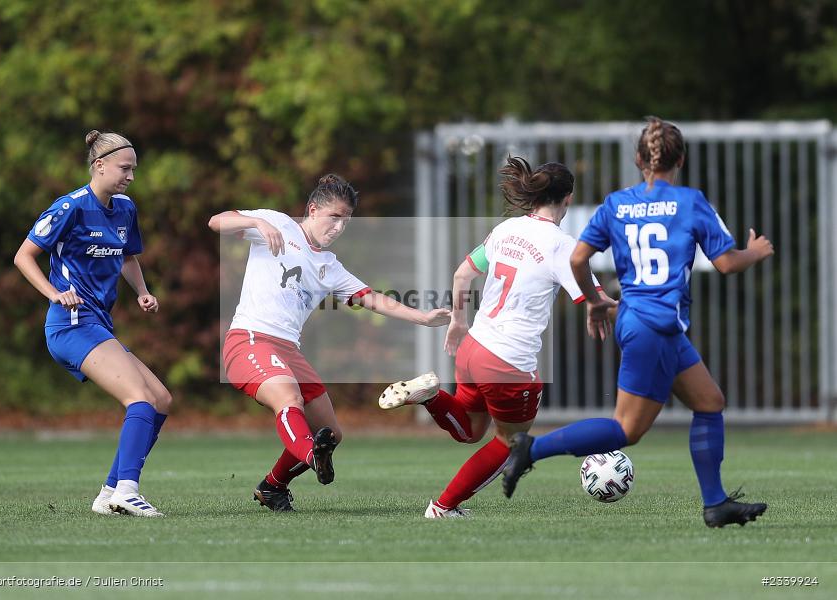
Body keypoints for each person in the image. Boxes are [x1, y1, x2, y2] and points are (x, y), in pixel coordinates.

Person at [502, 117, 775, 528]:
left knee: (709, 402)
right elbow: (726, 263)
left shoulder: (616, 204)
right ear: (680, 158)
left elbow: (578, 259)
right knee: (625, 430)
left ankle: (716, 503)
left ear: (637, 159)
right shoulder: (690, 202)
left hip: (640, 320)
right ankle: (530, 450)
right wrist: (755, 250)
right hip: (657, 324)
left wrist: (594, 301)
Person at [378, 157, 608, 518]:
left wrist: (457, 321)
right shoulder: (562, 245)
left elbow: (461, 276)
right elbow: (596, 300)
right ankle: (442, 507)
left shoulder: (507, 230)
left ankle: (432, 396)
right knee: (511, 442)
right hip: (509, 360)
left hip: (473, 348)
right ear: (568, 199)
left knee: (470, 430)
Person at [209, 174, 450, 512]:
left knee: (330, 432)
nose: (339, 227)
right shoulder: (277, 223)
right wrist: (255, 222)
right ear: (312, 209)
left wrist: (423, 317)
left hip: (288, 350)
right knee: (289, 399)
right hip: (249, 340)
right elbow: (216, 221)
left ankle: (273, 487)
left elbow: (374, 299)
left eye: (346, 220)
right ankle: (313, 455)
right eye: (334, 217)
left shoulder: (329, 267)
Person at [14, 130, 170, 518]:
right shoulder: (71, 207)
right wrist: (54, 292)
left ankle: (110, 491)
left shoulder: (125, 209)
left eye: (134, 169)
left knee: (161, 399)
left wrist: (141, 292)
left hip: (98, 323)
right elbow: (23, 256)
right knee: (139, 397)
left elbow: (128, 257)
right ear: (99, 166)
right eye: (124, 168)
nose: (131, 176)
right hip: (70, 324)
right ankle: (128, 490)